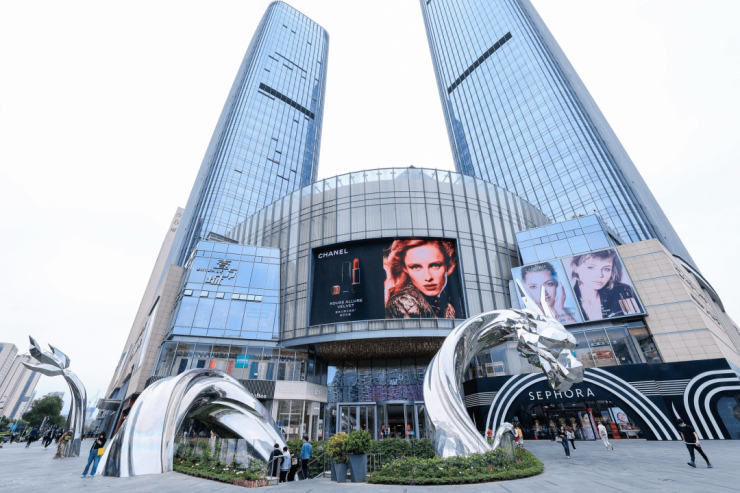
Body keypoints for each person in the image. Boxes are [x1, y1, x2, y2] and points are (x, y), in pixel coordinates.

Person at [384, 239, 460, 319]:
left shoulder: (447, 306)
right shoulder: (403, 303)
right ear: (405, 269)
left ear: (448, 266)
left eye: (435, 265)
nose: (428, 277)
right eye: (416, 267)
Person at [568, 249, 642, 321]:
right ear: (575, 268)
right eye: (591, 267)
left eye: (606, 269)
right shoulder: (568, 300)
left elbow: (635, 322)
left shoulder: (623, 291)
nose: (600, 275)